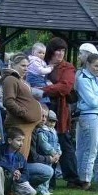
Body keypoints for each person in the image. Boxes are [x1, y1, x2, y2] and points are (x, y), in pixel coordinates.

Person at [41, 38, 77, 187]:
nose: (61, 53)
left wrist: (42, 90)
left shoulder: (67, 67)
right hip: (42, 107)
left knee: (63, 142)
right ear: (51, 51)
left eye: (63, 51)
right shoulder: (40, 64)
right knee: (43, 141)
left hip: (59, 110)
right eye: (58, 50)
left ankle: (72, 178)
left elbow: (65, 87)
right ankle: (49, 179)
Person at [75, 53, 98, 189]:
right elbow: (93, 101)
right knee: (90, 149)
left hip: (97, 115)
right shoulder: (83, 79)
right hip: (88, 116)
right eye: (96, 66)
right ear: (88, 64)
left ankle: (85, 174)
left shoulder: (95, 78)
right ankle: (85, 181)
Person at [1, 53, 43, 158]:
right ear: (13, 65)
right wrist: (24, 113)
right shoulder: (10, 79)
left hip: (26, 126)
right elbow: (8, 102)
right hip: (19, 125)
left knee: (22, 158)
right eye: (23, 66)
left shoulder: (21, 81)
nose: (26, 69)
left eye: (27, 66)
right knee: (17, 157)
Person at [0, 127, 36, 195]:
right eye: (18, 140)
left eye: (22, 141)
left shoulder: (20, 156)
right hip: (1, 181)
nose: (21, 143)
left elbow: (26, 174)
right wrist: (12, 170)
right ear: (10, 140)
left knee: (32, 192)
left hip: (14, 183)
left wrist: (19, 176)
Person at [32, 109, 61, 194]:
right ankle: (41, 189)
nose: (52, 123)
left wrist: (59, 152)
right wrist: (53, 152)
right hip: (45, 155)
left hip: (53, 155)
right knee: (46, 172)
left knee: (50, 173)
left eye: (54, 122)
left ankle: (46, 189)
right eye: (50, 121)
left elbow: (57, 142)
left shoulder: (54, 131)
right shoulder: (42, 131)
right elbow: (44, 144)